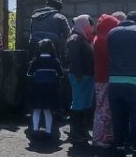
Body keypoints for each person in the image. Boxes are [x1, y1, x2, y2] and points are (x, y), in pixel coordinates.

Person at [106, 11, 136, 157]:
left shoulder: (112, 32)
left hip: (114, 81)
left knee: (118, 116)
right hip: (135, 82)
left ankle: (120, 145)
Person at [91, 13, 120, 149]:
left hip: (100, 77)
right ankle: (98, 138)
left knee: (104, 109)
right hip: (104, 79)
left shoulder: (98, 38)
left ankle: (104, 137)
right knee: (103, 110)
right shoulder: (103, 41)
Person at [66, 14, 95, 144]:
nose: (91, 26)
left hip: (87, 76)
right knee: (78, 102)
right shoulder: (75, 38)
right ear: (83, 24)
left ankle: (83, 130)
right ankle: (74, 131)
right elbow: (74, 58)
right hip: (80, 76)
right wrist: (78, 74)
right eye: (90, 23)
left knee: (86, 103)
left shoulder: (84, 38)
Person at [27, 38, 65, 139]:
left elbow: (29, 74)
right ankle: (48, 131)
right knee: (48, 110)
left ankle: (35, 129)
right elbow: (61, 75)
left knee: (36, 109)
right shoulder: (55, 61)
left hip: (37, 87)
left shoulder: (35, 61)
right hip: (51, 88)